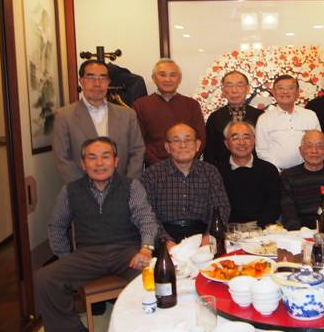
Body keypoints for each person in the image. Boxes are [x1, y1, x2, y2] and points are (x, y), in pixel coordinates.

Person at [35, 137, 158, 332]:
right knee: (45, 278)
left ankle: (144, 326)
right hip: (87, 255)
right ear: (83, 164)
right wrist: (66, 257)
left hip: (126, 253)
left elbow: (146, 219)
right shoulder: (70, 190)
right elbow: (56, 225)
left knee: (151, 274)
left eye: (105, 156)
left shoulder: (131, 186)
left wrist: (145, 249)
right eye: (92, 158)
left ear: (115, 161)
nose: (99, 163)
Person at [53, 60, 145, 183]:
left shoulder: (127, 115)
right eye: (91, 77)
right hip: (82, 189)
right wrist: (83, 189)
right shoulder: (64, 116)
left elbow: (137, 151)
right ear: (82, 81)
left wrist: (127, 184)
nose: (97, 84)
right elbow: (61, 158)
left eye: (102, 78)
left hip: (121, 187)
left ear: (109, 82)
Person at [140, 123, 230, 243]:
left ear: (197, 145)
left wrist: (209, 236)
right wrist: (165, 241)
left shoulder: (210, 172)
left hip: (203, 234)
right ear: (167, 147)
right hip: (163, 236)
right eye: (176, 141)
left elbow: (221, 208)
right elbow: (146, 214)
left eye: (188, 140)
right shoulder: (152, 174)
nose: (183, 145)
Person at [132, 58, 206, 166]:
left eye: (173, 75)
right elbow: (138, 141)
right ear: (154, 78)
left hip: (189, 166)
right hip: (155, 167)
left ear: (179, 79)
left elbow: (200, 138)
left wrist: (186, 162)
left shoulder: (192, 105)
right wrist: (159, 165)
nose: (168, 79)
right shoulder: (140, 105)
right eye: (162, 75)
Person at [280, 130, 324, 230]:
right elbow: (288, 213)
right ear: (301, 150)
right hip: (300, 232)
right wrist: (300, 234)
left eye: (320, 146)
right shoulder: (288, 176)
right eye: (309, 146)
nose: (314, 151)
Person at [216, 121, 281, 227]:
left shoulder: (269, 170)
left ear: (254, 140)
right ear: (226, 144)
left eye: (246, 137)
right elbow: (215, 207)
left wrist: (257, 228)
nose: (241, 142)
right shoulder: (216, 172)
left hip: (263, 229)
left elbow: (274, 205)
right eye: (235, 138)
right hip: (228, 229)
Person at [255, 74, 320, 171]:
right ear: (274, 92)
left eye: (290, 88)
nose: (285, 92)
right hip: (277, 173)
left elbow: (318, 144)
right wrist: (276, 171)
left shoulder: (310, 115)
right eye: (280, 88)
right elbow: (262, 151)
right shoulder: (264, 119)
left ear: (297, 92)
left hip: (306, 172)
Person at [204, 70, 263, 166]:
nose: (234, 90)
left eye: (239, 85)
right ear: (223, 90)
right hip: (222, 170)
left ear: (247, 89)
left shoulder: (260, 116)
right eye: (229, 86)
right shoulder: (215, 118)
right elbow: (209, 152)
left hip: (256, 168)